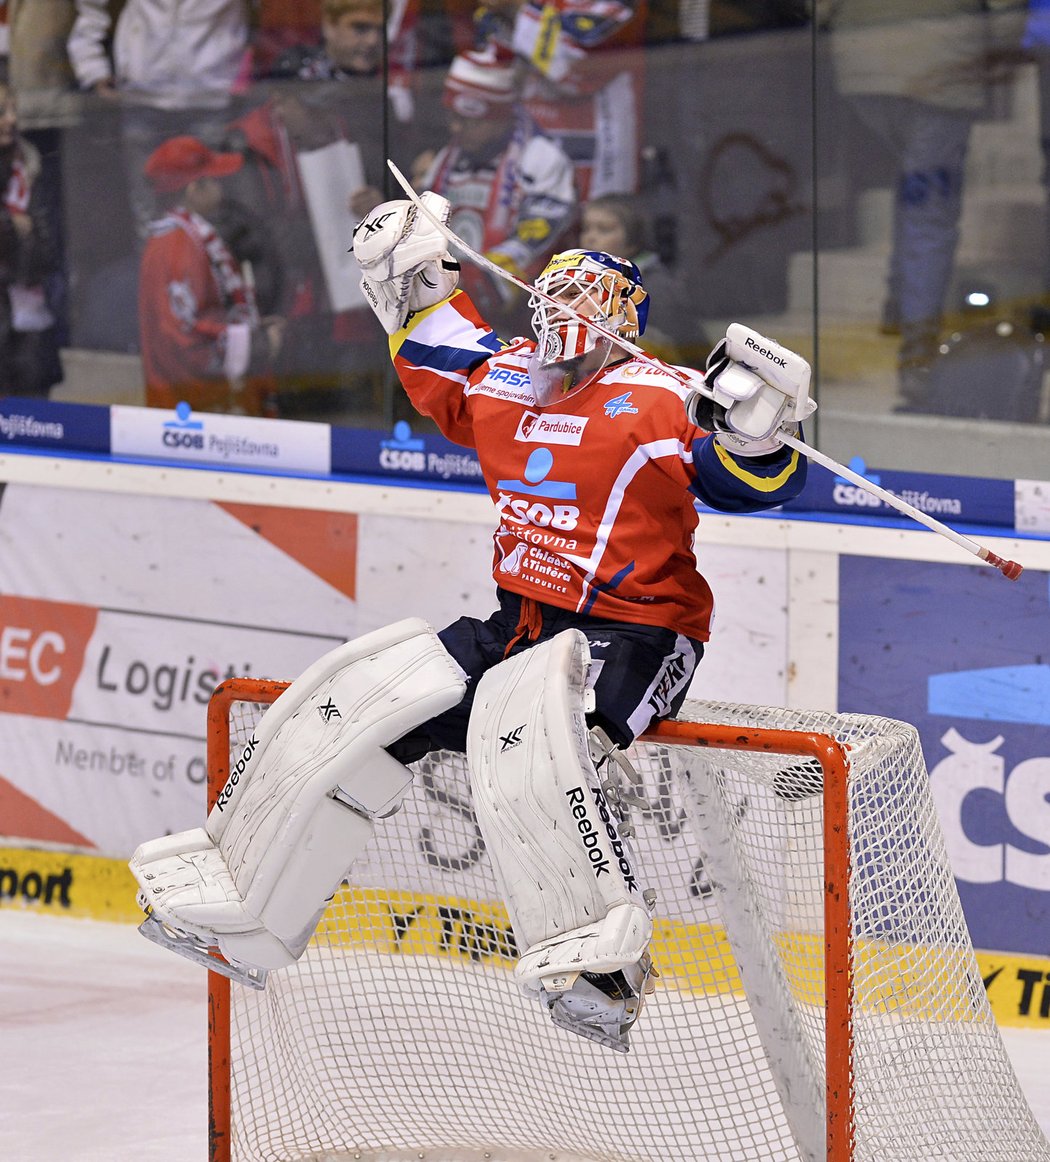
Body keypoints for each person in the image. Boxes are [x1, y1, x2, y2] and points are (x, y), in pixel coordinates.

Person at [127, 195, 813, 1056]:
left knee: (534, 745)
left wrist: (759, 432)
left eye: (589, 301)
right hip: (519, 622)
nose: (566, 314)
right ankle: (245, 904)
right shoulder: (502, 378)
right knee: (356, 709)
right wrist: (408, 256)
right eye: (553, 295)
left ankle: (603, 970)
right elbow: (420, 321)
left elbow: (748, 476)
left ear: (625, 320)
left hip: (638, 632)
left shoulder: (661, 396)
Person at [420, 45, 577, 333]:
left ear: (498, 116)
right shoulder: (444, 159)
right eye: (452, 118)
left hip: (524, 321)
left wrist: (481, 281)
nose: (455, 128)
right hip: (451, 313)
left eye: (468, 120)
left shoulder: (540, 158)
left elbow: (536, 243)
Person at [138, 134, 284, 414]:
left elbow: (206, 313)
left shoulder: (185, 237)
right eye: (213, 181)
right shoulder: (176, 247)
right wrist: (257, 345)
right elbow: (182, 336)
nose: (220, 189)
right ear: (194, 189)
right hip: (193, 415)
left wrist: (253, 327)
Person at [579, 192, 707, 364]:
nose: (590, 237)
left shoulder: (655, 288)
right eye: (586, 228)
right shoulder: (581, 284)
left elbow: (691, 355)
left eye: (604, 229)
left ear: (633, 240)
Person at [0, 78, 65, 396]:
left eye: (14, 110)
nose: (11, 119)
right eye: (1, 112)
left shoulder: (29, 165)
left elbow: (47, 249)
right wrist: (11, 225)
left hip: (28, 324)